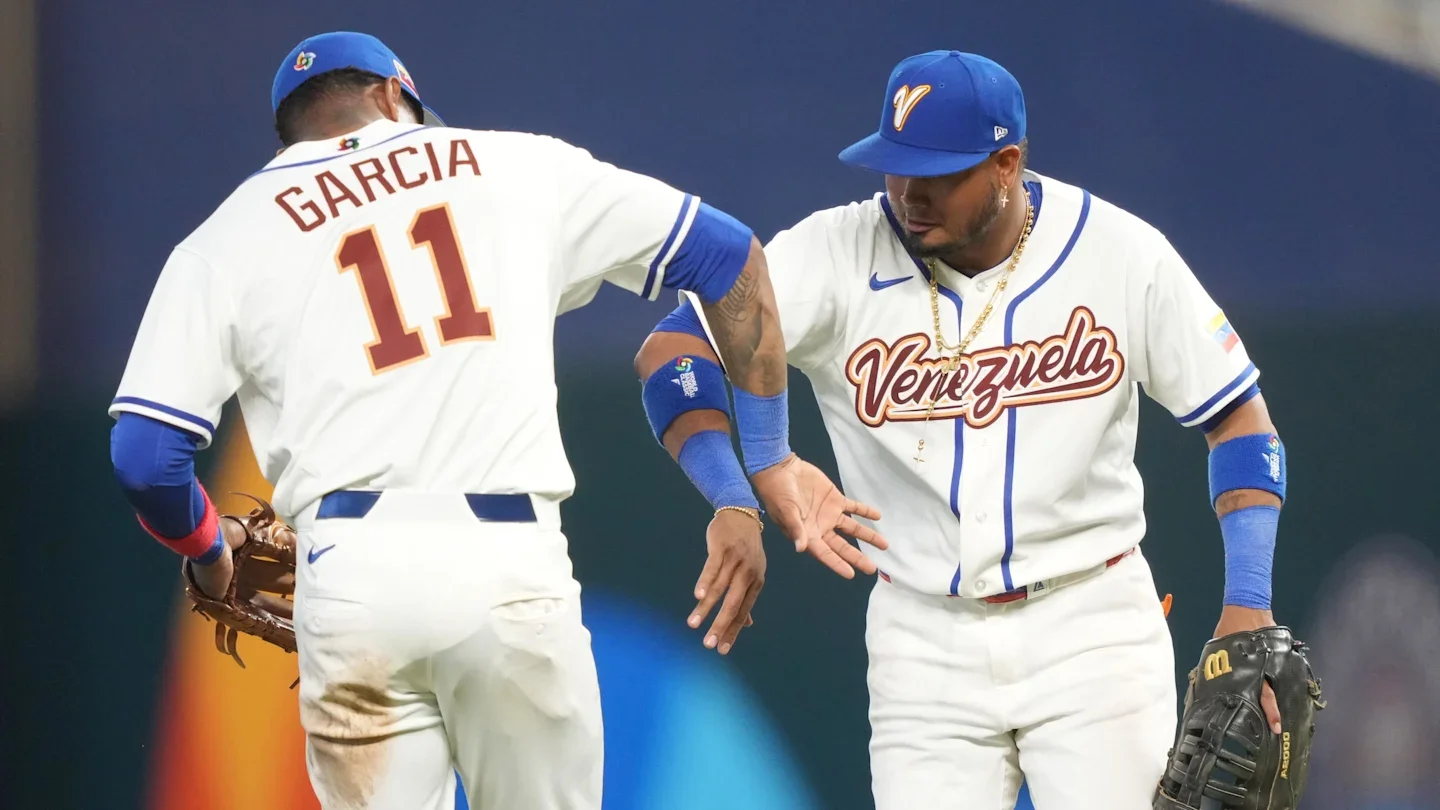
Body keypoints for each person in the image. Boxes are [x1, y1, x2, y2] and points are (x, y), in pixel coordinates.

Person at [107, 31, 881, 810]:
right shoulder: (512, 164)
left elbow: (146, 456)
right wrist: (767, 455)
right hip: (509, 567)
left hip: (350, 574)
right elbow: (728, 257)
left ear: (292, 132)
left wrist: (209, 551)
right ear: (392, 96)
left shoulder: (230, 235)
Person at [635, 50, 1290, 809]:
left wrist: (1249, 602)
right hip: (923, 641)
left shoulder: (1118, 252)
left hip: (1092, 624)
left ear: (1007, 164)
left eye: (937, 172)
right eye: (895, 166)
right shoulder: (834, 252)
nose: (909, 193)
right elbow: (671, 354)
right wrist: (737, 485)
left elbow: (1241, 423)